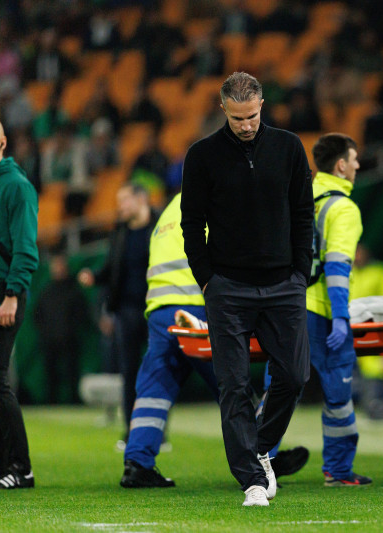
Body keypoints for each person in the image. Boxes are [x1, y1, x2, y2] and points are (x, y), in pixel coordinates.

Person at [181, 72, 312, 508]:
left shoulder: (289, 147)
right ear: (223, 109)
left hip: (284, 284)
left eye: (252, 116)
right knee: (234, 385)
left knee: (295, 376)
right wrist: (207, 280)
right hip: (228, 289)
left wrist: (300, 272)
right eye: (238, 118)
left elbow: (303, 213)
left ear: (262, 106)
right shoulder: (202, 156)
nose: (246, 125)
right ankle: (252, 480)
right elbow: (191, 223)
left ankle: (259, 447)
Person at [120, 193, 309, 489]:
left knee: (154, 387)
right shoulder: (217, 199)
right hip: (199, 307)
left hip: (160, 310)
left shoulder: (170, 210)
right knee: (235, 387)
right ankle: (262, 457)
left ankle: (137, 464)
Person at [306, 133, 372, 487]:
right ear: (341, 165)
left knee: (278, 391)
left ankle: (257, 468)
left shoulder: (300, 198)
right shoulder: (343, 209)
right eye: (354, 158)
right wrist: (341, 317)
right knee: (338, 393)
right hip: (320, 311)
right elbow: (336, 267)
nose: (358, 165)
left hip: (286, 308)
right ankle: (338, 470)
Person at [79, 183, 158, 446]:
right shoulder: (120, 231)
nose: (120, 206)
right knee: (129, 373)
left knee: (159, 371)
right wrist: (94, 277)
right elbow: (111, 269)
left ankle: (157, 432)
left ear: (141, 199)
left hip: (156, 309)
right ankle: (131, 432)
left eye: (124, 200)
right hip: (126, 311)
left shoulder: (160, 228)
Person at [0, 115, 38, 489]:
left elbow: (25, 248)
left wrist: (12, 295)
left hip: (1, 293)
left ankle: (21, 468)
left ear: (2, 143)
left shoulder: (17, 186)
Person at [34, 252, 89, 404]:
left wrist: (71, 330)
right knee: (51, 372)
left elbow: (81, 314)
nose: (58, 269)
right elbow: (37, 315)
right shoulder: (46, 291)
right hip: (49, 340)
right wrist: (45, 332)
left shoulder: (74, 290)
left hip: (69, 339)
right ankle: (51, 400)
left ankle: (74, 400)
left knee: (72, 371)